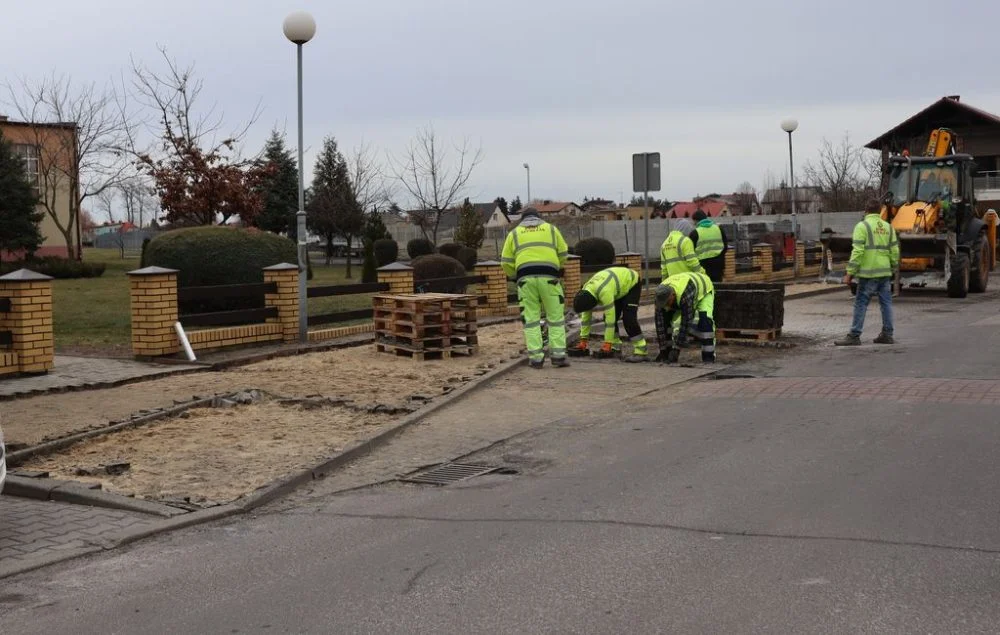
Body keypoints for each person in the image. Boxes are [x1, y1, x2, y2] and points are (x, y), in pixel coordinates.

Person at [501, 207, 571, 368]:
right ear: (539, 217)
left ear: (522, 219)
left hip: (526, 279)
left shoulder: (514, 234)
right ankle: (559, 356)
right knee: (555, 317)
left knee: (531, 319)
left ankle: (536, 359)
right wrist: (555, 268)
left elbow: (505, 261)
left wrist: (515, 275)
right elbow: (563, 253)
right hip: (550, 278)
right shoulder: (551, 229)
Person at [835, 198, 900, 346]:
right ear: (880, 211)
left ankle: (854, 335)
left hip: (868, 274)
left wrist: (849, 273)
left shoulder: (861, 226)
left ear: (866, 211)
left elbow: (857, 252)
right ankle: (887, 334)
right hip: (884, 273)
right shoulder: (888, 227)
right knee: (886, 304)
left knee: (861, 303)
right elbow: (895, 251)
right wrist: (893, 267)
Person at [572, 266, 648, 362]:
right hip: (617, 287)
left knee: (628, 318)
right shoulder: (586, 292)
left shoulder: (604, 292)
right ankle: (615, 347)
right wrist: (583, 340)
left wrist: (607, 342)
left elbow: (610, 319)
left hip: (631, 282)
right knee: (609, 317)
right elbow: (586, 319)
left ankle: (641, 350)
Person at [654, 271, 716, 363]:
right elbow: (660, 325)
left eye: (667, 302)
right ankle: (667, 352)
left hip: (704, 291)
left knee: (705, 322)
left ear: (673, 295)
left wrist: (676, 349)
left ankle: (708, 357)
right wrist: (663, 350)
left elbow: (686, 321)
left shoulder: (685, 294)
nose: (665, 305)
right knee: (665, 321)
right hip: (684, 289)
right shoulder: (660, 296)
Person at [691, 210, 728, 282]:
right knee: (719, 288)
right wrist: (720, 256)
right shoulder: (718, 229)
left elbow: (691, 251)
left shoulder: (695, 233)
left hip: (703, 266)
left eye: (694, 221)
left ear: (696, 221)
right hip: (718, 264)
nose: (693, 223)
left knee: (706, 288)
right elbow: (725, 246)